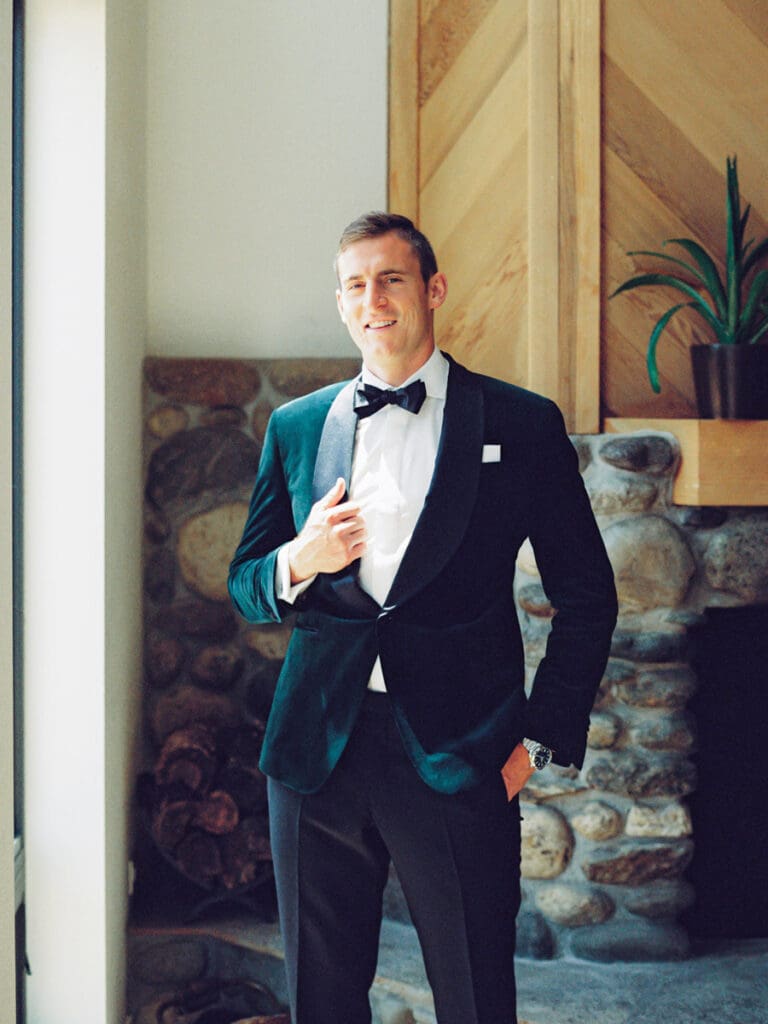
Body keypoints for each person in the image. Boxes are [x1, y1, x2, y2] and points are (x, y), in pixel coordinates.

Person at [228, 212, 618, 1024]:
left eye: (392, 278)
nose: (374, 299)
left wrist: (539, 739)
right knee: (321, 1002)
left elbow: (587, 593)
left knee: (476, 999)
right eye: (356, 285)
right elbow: (245, 583)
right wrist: (299, 560)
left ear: (433, 290)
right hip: (315, 754)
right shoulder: (297, 426)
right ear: (341, 304)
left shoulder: (520, 421)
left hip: (460, 750)